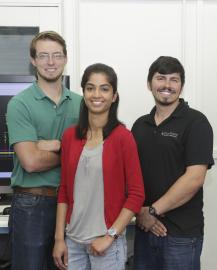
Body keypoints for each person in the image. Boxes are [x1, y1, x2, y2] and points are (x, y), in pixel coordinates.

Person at [53, 63, 145, 270]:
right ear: (84, 93)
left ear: (114, 96)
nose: (97, 94)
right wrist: (60, 239)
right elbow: (64, 192)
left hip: (107, 244)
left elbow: (137, 194)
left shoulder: (123, 138)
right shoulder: (70, 136)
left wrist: (110, 235)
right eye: (90, 87)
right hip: (73, 242)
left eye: (104, 88)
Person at [6, 31, 82, 270]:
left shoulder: (82, 103)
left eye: (57, 55)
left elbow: (94, 152)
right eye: (44, 56)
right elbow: (30, 162)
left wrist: (53, 144)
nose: (51, 62)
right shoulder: (20, 104)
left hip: (75, 203)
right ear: (33, 61)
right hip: (33, 203)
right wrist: (70, 148)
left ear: (66, 59)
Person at [132, 56, 214, 270]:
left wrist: (152, 212)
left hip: (181, 235)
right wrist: (141, 213)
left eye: (174, 80)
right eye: (160, 78)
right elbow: (131, 176)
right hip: (143, 231)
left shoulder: (196, 122)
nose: (167, 85)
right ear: (149, 84)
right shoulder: (140, 125)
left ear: (181, 86)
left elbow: (194, 179)